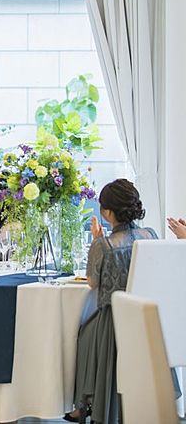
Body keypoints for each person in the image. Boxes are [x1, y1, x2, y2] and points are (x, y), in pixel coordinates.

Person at [65, 179, 157, 423]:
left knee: (81, 333)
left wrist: (96, 241)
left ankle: (84, 405)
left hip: (113, 323)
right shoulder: (150, 235)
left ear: (106, 212)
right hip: (147, 321)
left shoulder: (104, 244)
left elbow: (92, 282)